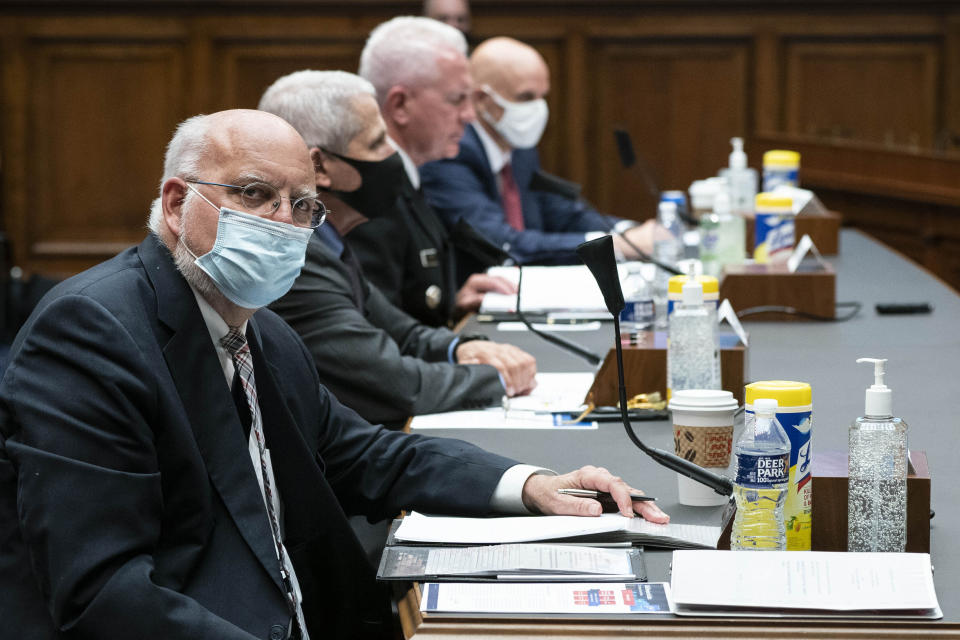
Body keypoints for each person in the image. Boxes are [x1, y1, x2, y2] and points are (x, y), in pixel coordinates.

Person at [0, 109, 668, 640]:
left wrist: (534, 486)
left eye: (303, 205)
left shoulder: (261, 328)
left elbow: (363, 454)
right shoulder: (92, 333)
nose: (284, 224)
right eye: (257, 196)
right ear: (176, 204)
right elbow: (104, 592)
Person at [258, 69, 536, 427]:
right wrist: (498, 377)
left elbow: (401, 332)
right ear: (319, 166)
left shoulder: (329, 237)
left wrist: (461, 348)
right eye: (376, 144)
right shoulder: (294, 258)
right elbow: (396, 386)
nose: (392, 155)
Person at [420, 36, 664, 265]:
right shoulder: (451, 152)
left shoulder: (518, 146)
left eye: (542, 97)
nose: (537, 109)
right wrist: (613, 246)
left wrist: (628, 232)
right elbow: (498, 241)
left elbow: (561, 213)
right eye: (526, 97)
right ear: (483, 100)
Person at [353, 16, 506, 327]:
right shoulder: (369, 197)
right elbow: (374, 334)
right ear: (400, 105)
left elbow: (407, 303)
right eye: (457, 99)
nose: (469, 116)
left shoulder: (406, 176)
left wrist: (450, 307)